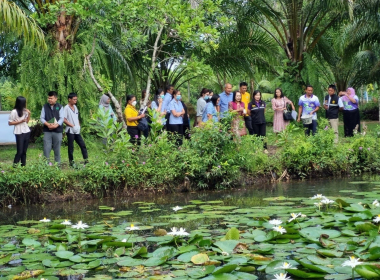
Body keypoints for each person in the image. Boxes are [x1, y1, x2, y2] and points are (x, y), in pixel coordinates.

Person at [64, 93, 88, 166]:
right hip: (70, 130)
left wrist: (78, 125)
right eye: (74, 99)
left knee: (82, 145)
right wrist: (72, 125)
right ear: (69, 99)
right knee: (71, 147)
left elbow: (76, 117)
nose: (75, 101)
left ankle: (86, 161)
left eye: (76, 99)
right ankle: (71, 163)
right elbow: (64, 119)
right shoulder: (66, 108)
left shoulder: (75, 107)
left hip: (76, 130)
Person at [40, 91, 64, 164]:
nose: (50, 100)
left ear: (56, 99)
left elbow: (62, 118)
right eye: (49, 98)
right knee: (46, 148)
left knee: (57, 149)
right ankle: (46, 165)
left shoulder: (60, 107)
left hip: (58, 131)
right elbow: (42, 118)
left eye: (51, 98)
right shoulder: (45, 107)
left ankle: (58, 165)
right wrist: (48, 124)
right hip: (47, 131)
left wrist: (56, 125)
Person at [8, 96, 31, 167]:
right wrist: (20, 121)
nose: (25, 104)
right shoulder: (14, 112)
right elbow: (10, 123)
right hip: (19, 132)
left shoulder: (25, 111)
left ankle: (23, 167)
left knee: (24, 152)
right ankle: (14, 167)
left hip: (26, 131)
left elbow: (27, 122)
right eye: (24, 102)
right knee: (20, 151)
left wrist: (29, 114)